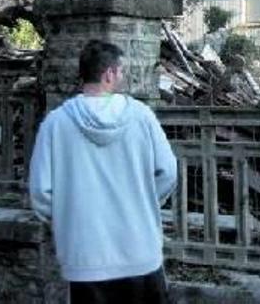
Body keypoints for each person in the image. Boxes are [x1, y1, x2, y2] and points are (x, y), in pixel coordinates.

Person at [29, 40, 178, 303]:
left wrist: (68, 220)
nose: (122, 77)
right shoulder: (141, 117)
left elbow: (41, 193)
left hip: (85, 256)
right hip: (140, 251)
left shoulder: (55, 124)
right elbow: (167, 171)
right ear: (108, 73)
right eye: (121, 71)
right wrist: (144, 202)